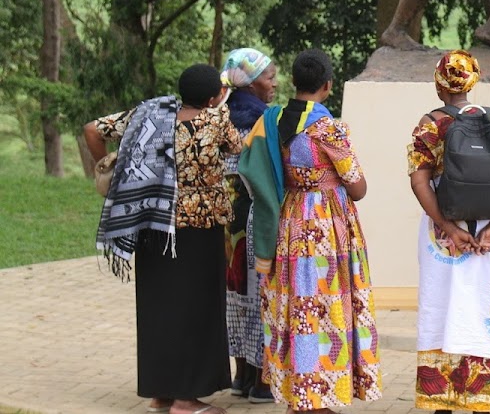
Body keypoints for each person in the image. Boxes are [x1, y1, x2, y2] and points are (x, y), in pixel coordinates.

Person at [84, 64, 241, 414]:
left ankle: (161, 394)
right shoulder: (216, 120)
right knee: (196, 309)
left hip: (151, 224)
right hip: (197, 229)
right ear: (213, 97)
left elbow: (92, 129)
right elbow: (236, 146)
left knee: (160, 308)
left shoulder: (148, 114)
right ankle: (186, 400)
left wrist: (111, 168)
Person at [249, 49, 381, 412]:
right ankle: (316, 400)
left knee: (297, 304)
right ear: (328, 85)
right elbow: (358, 187)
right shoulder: (327, 129)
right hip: (326, 225)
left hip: (289, 218)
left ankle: (299, 394)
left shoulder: (273, 121)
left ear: (293, 81)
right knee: (324, 306)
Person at [408, 51, 490, 412]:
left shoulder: (431, 124)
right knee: (485, 311)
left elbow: (419, 182)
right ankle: (483, 398)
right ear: (472, 82)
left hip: (444, 240)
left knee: (441, 308)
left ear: (439, 84)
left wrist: (448, 228)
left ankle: (442, 400)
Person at [219, 48, 277, 404]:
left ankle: (240, 376)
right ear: (252, 82)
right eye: (270, 77)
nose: (275, 84)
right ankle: (263, 380)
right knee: (261, 294)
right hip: (256, 215)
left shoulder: (218, 114)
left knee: (234, 295)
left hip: (226, 222)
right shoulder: (264, 121)